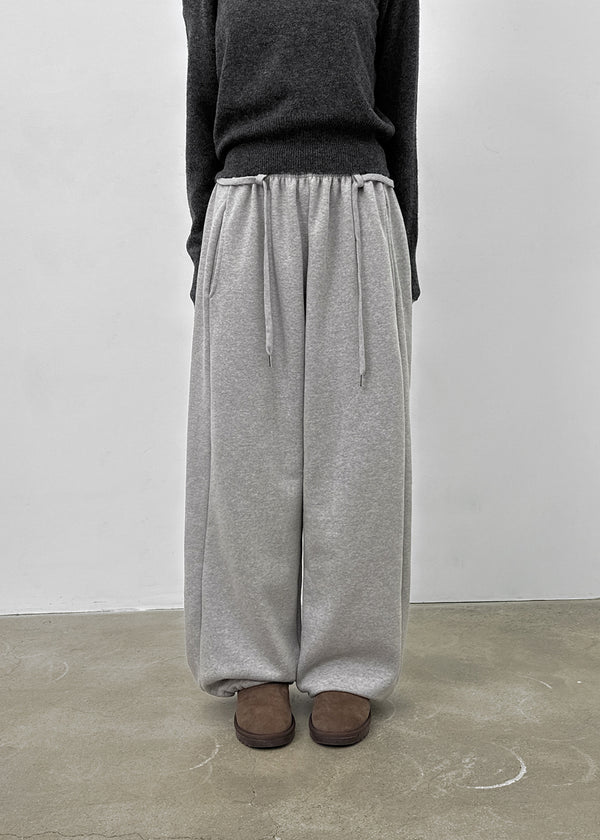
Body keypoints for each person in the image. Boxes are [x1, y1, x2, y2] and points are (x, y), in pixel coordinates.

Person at [182, 0, 420, 749]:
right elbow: (200, 103)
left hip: (359, 205)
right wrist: (203, 244)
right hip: (245, 207)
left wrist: (404, 253)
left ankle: (349, 663)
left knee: (361, 459)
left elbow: (400, 101)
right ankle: (252, 663)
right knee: (244, 458)